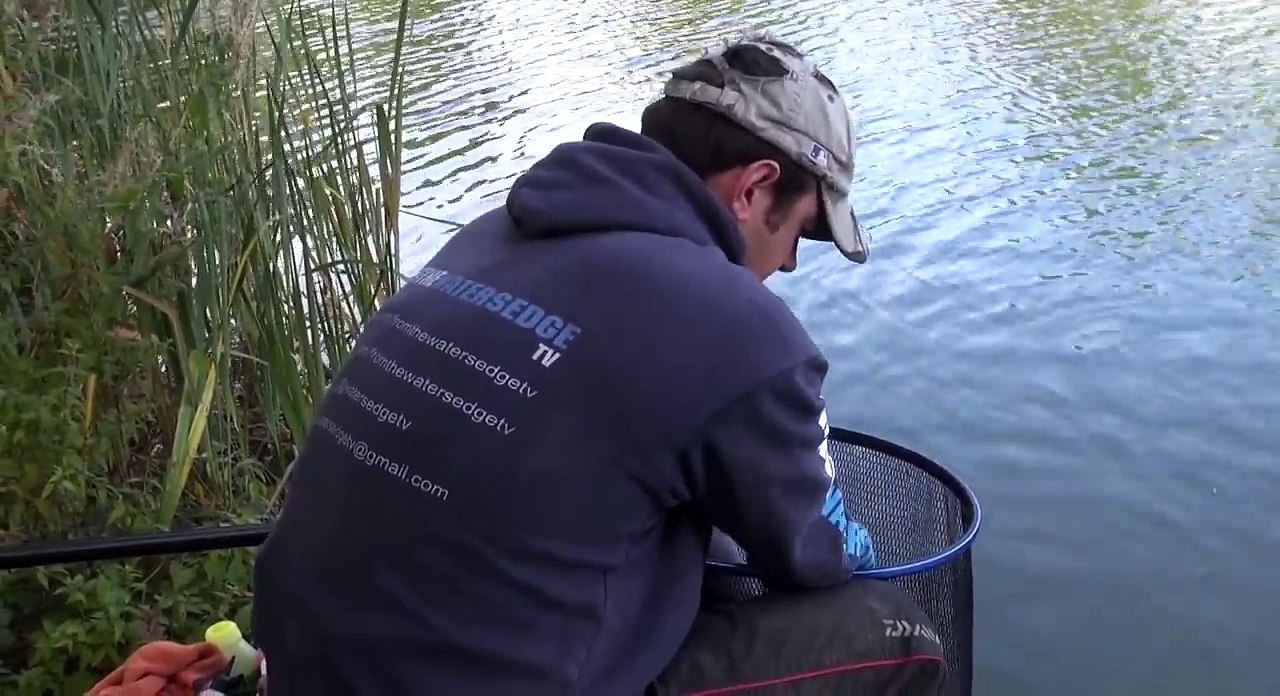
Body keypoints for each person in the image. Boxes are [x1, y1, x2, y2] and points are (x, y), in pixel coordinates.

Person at [251, 34, 949, 695]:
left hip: (298, 662)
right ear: (754, 187)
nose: (794, 259)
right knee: (897, 630)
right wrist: (850, 542)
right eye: (806, 229)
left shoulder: (489, 236)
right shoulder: (739, 326)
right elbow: (815, 553)